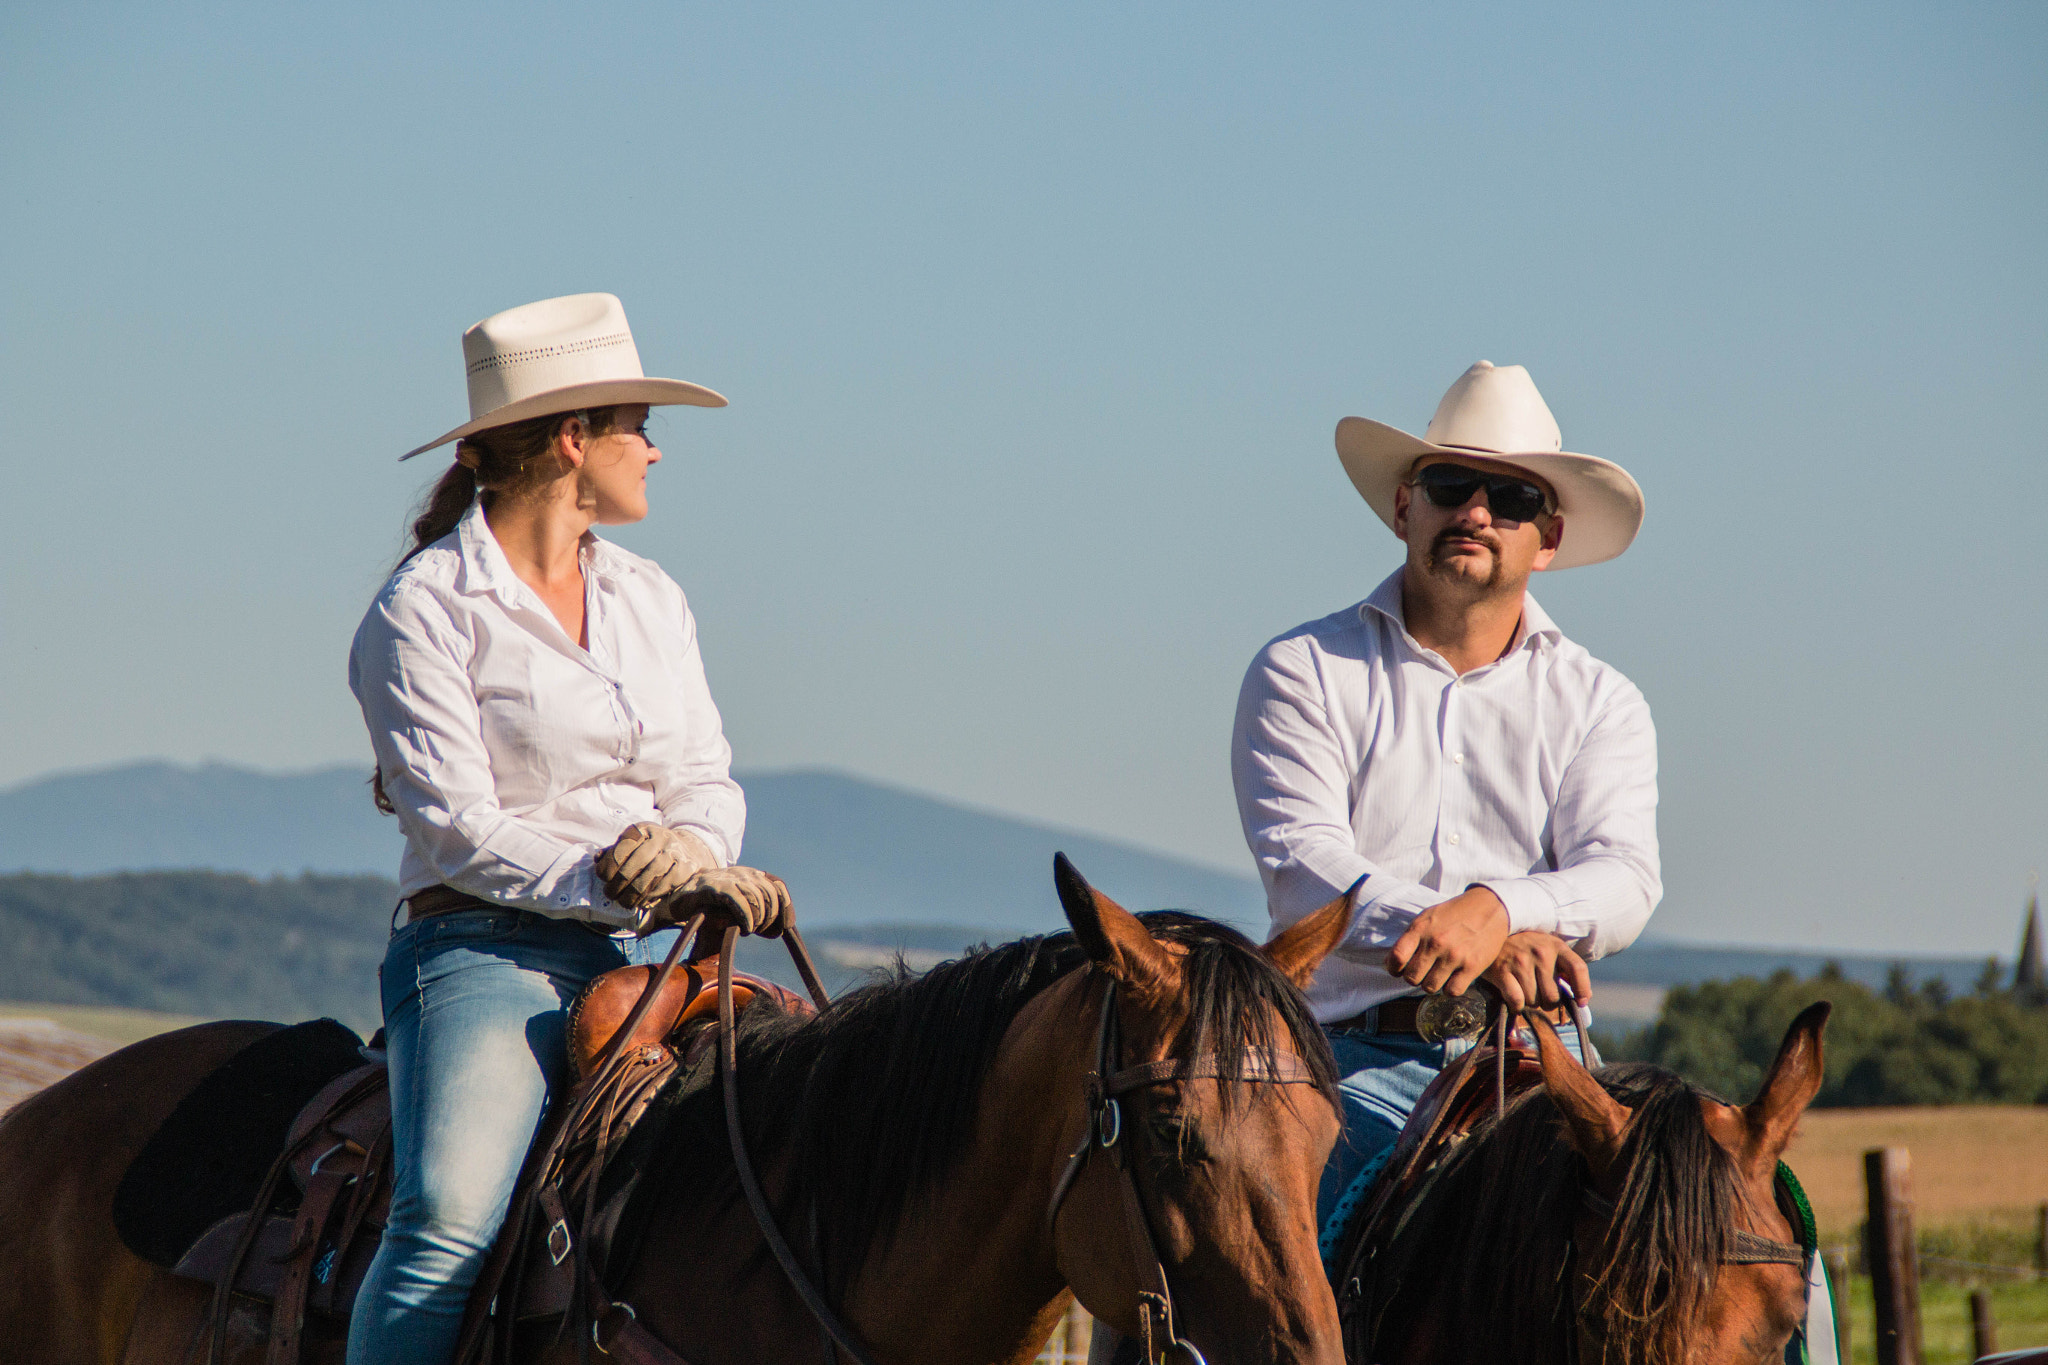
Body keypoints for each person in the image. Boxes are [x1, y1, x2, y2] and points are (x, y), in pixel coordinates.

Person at [347, 293, 790, 1365]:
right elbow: (454, 830)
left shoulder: (651, 598)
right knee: (446, 1218)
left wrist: (693, 855)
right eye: (639, 425)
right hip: (486, 951)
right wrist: (619, 875)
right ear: (570, 439)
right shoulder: (421, 612)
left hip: (662, 949)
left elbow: (701, 771)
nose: (654, 452)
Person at [1230, 360, 1660, 1252]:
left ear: (1547, 539)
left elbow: (1624, 876)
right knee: (1259, 1286)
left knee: (1757, 1240)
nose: (1475, 511)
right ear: (1403, 509)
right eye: (1450, 484)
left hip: (1547, 1060)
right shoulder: (1301, 671)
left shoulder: (1600, 700)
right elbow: (1307, 870)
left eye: (1509, 497)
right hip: (1350, 1068)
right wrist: (1472, 936)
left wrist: (1497, 910)